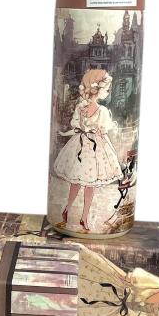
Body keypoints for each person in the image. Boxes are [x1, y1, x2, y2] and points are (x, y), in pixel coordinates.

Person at [53, 69, 122, 232]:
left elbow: (77, 126)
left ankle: (75, 213)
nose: (107, 92)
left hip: (84, 146)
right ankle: (77, 214)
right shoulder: (100, 110)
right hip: (88, 148)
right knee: (82, 183)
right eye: (106, 89)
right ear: (97, 90)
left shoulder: (84, 107)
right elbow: (101, 130)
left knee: (80, 182)